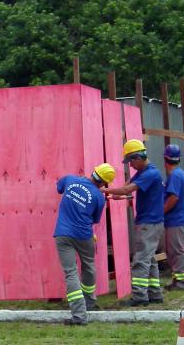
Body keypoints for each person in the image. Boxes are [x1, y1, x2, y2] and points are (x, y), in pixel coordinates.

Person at [102, 139, 165, 306]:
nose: (130, 166)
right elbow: (128, 185)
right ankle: (155, 294)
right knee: (149, 259)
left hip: (149, 223)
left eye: (131, 161)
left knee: (140, 260)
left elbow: (127, 189)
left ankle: (139, 297)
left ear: (138, 157)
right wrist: (118, 194)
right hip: (152, 222)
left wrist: (103, 189)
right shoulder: (145, 172)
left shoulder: (150, 174)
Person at [53, 163, 115, 326]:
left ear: (94, 172)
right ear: (104, 183)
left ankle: (79, 315)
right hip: (84, 236)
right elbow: (95, 219)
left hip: (63, 234)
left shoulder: (70, 179)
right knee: (89, 267)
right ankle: (89, 303)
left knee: (71, 272)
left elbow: (58, 187)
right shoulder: (99, 198)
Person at [162, 144, 184, 290]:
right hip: (179, 218)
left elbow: (173, 198)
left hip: (176, 219)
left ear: (165, 159)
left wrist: (161, 211)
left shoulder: (174, 175)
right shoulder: (180, 174)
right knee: (174, 250)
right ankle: (177, 279)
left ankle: (182, 282)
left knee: (177, 250)